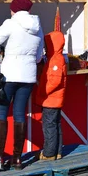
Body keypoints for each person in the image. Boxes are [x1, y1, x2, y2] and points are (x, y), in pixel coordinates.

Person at [0, 0, 44, 171]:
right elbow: (40, 55)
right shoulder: (37, 26)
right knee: (20, 114)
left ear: (15, 10)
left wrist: (3, 50)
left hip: (9, 74)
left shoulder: (10, 23)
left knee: (2, 113)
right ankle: (17, 159)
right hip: (28, 75)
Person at [35, 31, 67, 161]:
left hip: (51, 99)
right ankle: (57, 151)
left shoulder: (55, 59)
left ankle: (49, 153)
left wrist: (42, 91)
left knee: (49, 126)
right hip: (55, 99)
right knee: (56, 125)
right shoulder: (56, 58)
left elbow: (54, 81)